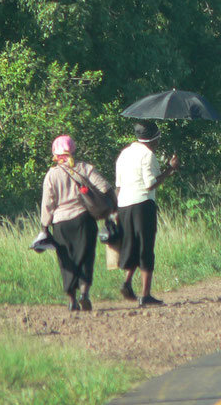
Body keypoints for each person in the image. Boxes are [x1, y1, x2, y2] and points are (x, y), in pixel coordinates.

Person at [40, 135, 115, 311]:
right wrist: (112, 208)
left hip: (60, 224)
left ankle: (72, 300)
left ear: (55, 153)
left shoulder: (51, 175)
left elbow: (47, 204)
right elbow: (105, 187)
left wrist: (44, 227)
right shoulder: (84, 168)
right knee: (86, 257)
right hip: (84, 219)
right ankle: (84, 294)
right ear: (73, 150)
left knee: (67, 261)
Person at [115, 121, 180, 306]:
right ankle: (145, 295)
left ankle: (127, 283)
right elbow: (150, 184)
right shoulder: (148, 155)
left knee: (132, 245)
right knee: (146, 247)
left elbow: (118, 186)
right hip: (142, 204)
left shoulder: (124, 153)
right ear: (154, 139)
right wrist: (170, 169)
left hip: (124, 205)